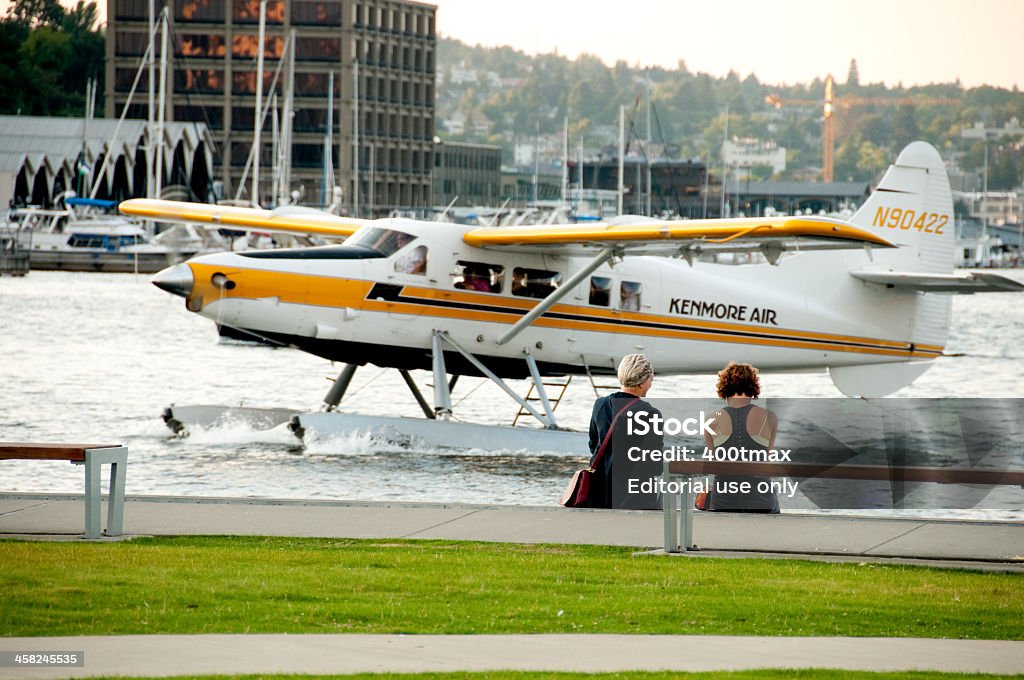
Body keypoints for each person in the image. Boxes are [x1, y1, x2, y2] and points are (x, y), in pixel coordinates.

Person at [701, 362, 780, 513]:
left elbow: (714, 463)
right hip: (760, 499)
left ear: (724, 387)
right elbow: (766, 461)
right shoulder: (770, 417)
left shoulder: (710, 420)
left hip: (724, 500)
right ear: (753, 387)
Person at [586, 354, 663, 509]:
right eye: (651, 380)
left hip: (600, 492)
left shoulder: (600, 405)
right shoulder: (650, 414)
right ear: (642, 382)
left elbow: (593, 445)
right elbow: (654, 464)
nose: (650, 384)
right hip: (635, 497)